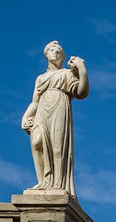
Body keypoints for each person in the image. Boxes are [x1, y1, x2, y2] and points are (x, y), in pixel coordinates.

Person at [21, 41, 89, 196]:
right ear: (46, 54)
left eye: (59, 51)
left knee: (57, 148)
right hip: (42, 110)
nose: (56, 52)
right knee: (36, 142)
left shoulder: (66, 74)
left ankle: (58, 184)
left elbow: (82, 92)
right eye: (52, 50)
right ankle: (42, 182)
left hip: (60, 106)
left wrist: (82, 70)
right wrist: (26, 115)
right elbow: (35, 102)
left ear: (63, 57)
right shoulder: (40, 78)